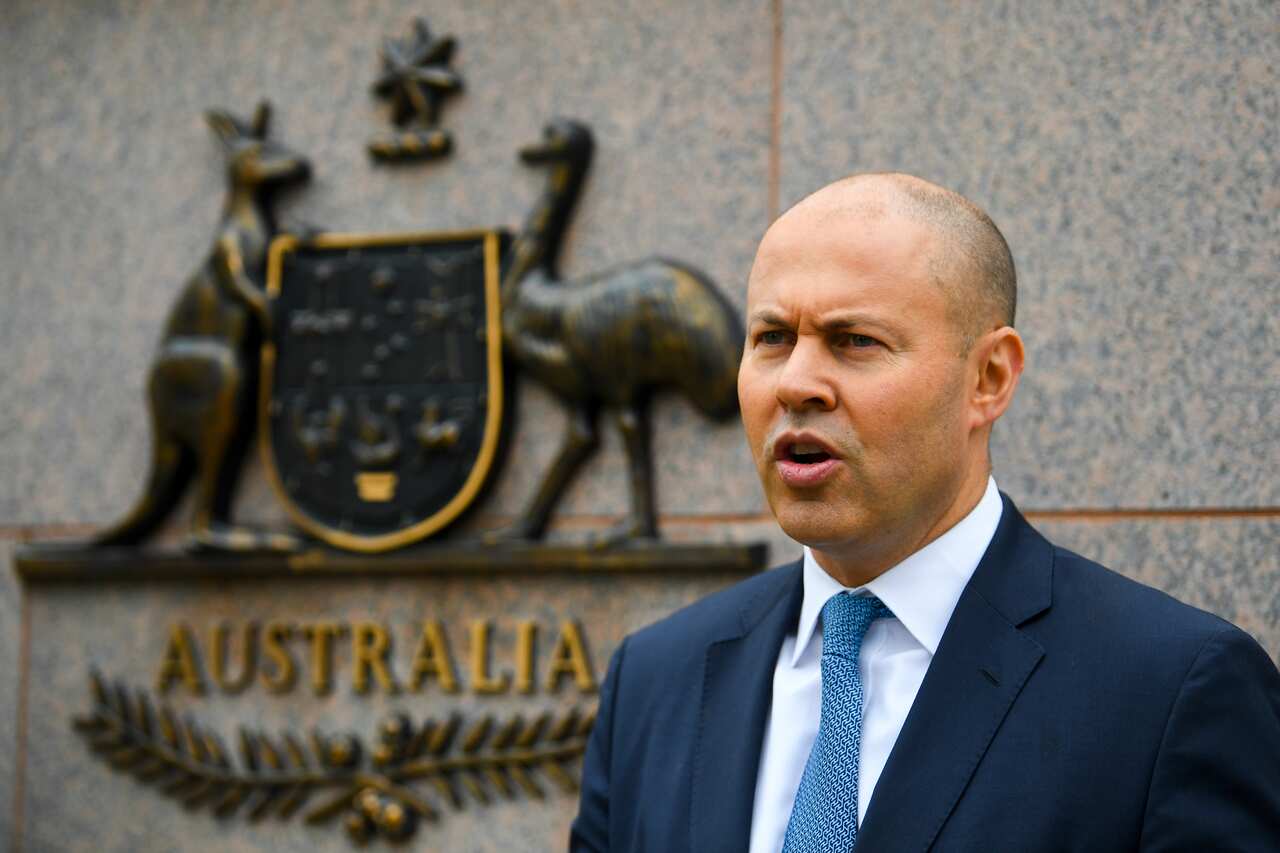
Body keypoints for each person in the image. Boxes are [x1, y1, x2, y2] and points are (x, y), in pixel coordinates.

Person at [569, 173, 1280, 852]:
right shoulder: (655, 678)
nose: (796, 383)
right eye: (772, 338)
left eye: (855, 341)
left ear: (988, 378)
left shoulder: (1170, 689)